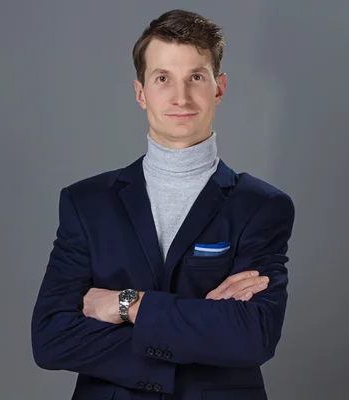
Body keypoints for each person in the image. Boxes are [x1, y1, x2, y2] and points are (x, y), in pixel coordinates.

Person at [31, 9, 295, 400]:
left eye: (196, 78)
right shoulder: (86, 203)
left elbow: (252, 336)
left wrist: (128, 305)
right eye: (163, 79)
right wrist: (199, 330)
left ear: (219, 88)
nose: (181, 97)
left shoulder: (262, 206)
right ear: (141, 93)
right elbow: (52, 337)